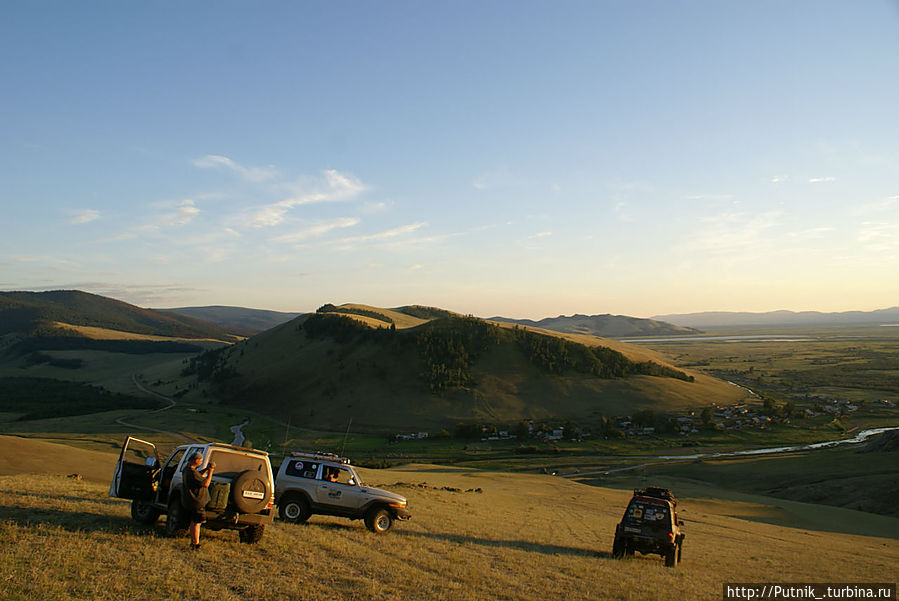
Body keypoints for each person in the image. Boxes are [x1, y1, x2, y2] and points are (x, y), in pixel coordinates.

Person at [182, 451, 215, 549]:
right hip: (197, 502)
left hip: (192, 501)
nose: (201, 462)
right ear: (196, 461)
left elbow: (197, 475)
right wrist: (211, 472)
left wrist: (206, 469)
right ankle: (195, 544)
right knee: (197, 523)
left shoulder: (187, 470)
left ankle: (194, 542)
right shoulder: (192, 472)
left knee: (194, 521)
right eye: (200, 461)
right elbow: (206, 484)